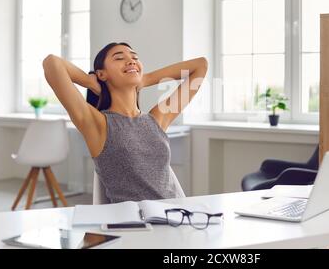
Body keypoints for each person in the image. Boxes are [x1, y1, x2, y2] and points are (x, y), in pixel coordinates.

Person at [43, 42, 208, 202]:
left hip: (175, 215)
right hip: (134, 224)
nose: (131, 60)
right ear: (102, 74)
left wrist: (146, 79)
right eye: (119, 58)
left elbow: (200, 65)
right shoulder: (98, 124)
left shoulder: (157, 119)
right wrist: (90, 81)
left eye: (135, 57)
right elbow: (52, 63)